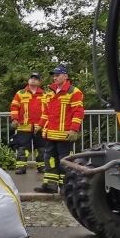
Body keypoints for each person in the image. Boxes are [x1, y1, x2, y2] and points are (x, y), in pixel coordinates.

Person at [35, 66, 84, 194]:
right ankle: (51, 185)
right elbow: (46, 113)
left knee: (65, 161)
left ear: (65, 76)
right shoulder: (50, 93)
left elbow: (78, 113)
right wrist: (40, 125)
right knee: (49, 159)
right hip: (50, 133)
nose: (55, 77)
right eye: (54, 75)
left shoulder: (74, 92)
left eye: (58, 75)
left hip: (65, 134)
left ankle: (66, 187)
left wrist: (74, 129)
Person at [9, 73, 45, 175]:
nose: (33, 80)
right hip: (24, 126)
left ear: (39, 82)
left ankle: (42, 167)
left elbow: (48, 110)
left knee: (41, 148)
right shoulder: (20, 93)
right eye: (31, 78)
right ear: (28, 80)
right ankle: (21, 167)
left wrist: (43, 123)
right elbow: (14, 107)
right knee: (22, 148)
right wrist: (15, 119)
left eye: (36, 79)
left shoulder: (44, 94)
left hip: (39, 126)